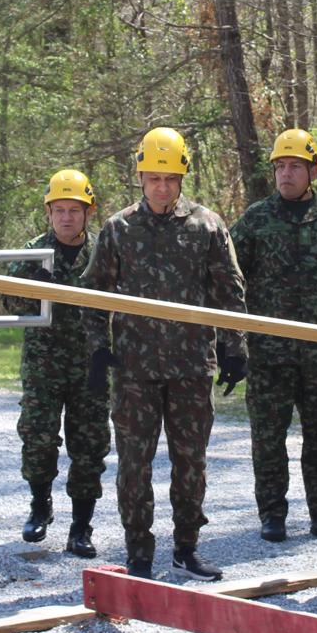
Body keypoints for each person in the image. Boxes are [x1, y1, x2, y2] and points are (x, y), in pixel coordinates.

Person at [79, 127, 247, 581]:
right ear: (140, 177)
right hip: (134, 369)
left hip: (191, 365)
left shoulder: (207, 226)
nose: (162, 187)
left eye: (170, 179)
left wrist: (235, 345)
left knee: (191, 461)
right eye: (154, 178)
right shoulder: (119, 229)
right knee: (135, 465)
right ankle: (139, 554)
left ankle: (186, 548)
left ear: (182, 178)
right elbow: (93, 293)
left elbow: (229, 288)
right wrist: (97, 349)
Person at [230, 129, 317, 544]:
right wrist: (232, 340)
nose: (286, 174)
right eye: (280, 166)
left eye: (295, 166)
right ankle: (272, 514)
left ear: (313, 170)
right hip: (268, 356)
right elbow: (228, 277)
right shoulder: (256, 219)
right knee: (268, 438)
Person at [2, 169, 111, 557]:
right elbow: (8, 302)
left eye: (74, 210)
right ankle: (39, 505)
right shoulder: (32, 253)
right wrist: (34, 286)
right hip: (43, 365)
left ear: (88, 212)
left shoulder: (103, 252)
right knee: (38, 437)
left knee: (90, 444)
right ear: (48, 212)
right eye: (59, 210)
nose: (66, 217)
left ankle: (81, 527)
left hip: (90, 364)